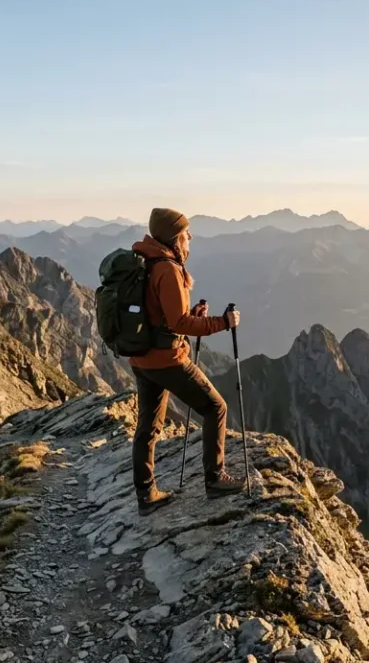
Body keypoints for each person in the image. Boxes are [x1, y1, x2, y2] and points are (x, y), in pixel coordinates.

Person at [129, 207, 244, 515]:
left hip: (142, 359)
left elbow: (161, 318)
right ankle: (215, 478)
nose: (190, 238)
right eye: (186, 234)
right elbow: (178, 324)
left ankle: (146, 494)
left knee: (148, 426)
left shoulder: (147, 262)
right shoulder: (167, 269)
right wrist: (223, 323)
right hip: (167, 360)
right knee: (215, 407)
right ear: (174, 237)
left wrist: (194, 318)